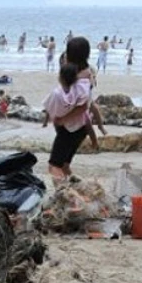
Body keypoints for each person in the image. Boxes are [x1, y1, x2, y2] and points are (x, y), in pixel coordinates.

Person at [42, 37, 94, 180]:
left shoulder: (79, 79)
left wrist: (62, 119)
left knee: (54, 166)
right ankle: (76, 190)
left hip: (70, 128)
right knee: (64, 165)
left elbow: (82, 106)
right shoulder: (86, 73)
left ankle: (63, 194)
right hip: (80, 127)